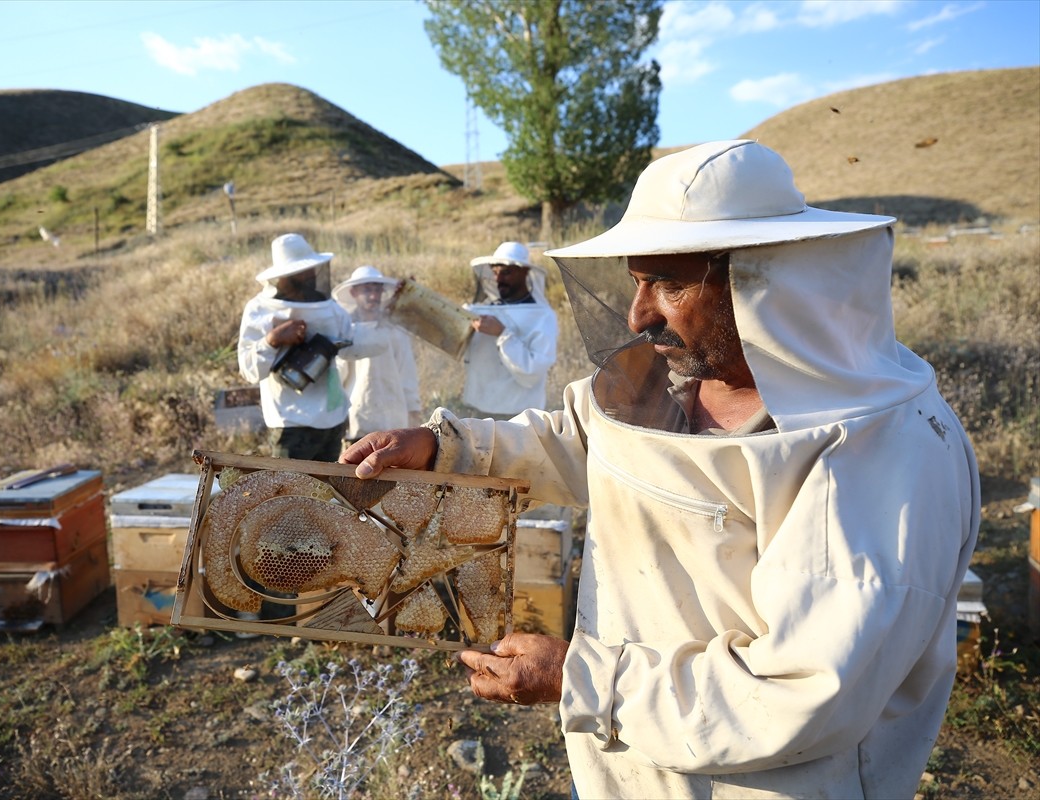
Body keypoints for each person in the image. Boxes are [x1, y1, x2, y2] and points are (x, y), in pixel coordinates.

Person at [341, 140, 980, 799]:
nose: (636, 314)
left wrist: (581, 680)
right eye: (636, 281)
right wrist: (446, 448)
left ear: (762, 283)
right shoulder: (666, 377)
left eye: (669, 284)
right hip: (633, 762)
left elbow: (805, 691)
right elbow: (583, 440)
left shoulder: (877, 452)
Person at [237, 233, 384, 463]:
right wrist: (272, 340)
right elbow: (249, 370)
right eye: (302, 272)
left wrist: (391, 319)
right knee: (291, 496)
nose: (309, 276)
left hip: (332, 422)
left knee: (322, 497)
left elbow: (351, 345)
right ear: (285, 275)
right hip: (291, 425)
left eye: (310, 270)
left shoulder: (329, 307)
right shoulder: (260, 310)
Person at [461, 241, 558, 418]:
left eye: (506, 273)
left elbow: (533, 373)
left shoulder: (543, 317)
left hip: (521, 416)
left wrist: (502, 334)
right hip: (479, 412)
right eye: (495, 272)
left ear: (524, 272)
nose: (498, 279)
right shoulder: (481, 311)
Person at [332, 265, 423, 445]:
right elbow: (337, 377)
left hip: (393, 420)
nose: (373, 296)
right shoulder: (345, 331)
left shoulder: (395, 331)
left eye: (377, 290)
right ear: (353, 292)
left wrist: (413, 411)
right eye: (367, 290)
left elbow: (407, 373)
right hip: (357, 419)